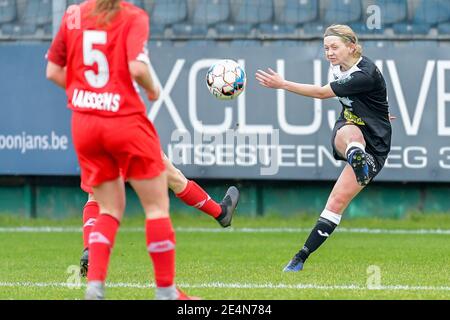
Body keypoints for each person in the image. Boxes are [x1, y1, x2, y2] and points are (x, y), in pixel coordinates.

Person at [46, 0, 202, 299]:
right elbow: (137, 67)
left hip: (85, 124)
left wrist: (86, 93)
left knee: (108, 208)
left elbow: (53, 71)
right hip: (123, 121)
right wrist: (153, 89)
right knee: (156, 207)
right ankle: (166, 292)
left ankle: (94, 288)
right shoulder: (133, 16)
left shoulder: (73, 15)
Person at [255, 24, 392, 272]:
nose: (329, 52)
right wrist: (376, 114)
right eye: (326, 47)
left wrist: (282, 84)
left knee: (337, 202)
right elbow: (374, 100)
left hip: (377, 142)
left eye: (334, 47)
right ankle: (356, 155)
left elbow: (320, 93)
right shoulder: (339, 65)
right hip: (352, 124)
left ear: (352, 46)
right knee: (350, 133)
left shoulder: (365, 73)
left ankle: (301, 256)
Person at [79, 158, 240, 277]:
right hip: (127, 129)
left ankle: (90, 250)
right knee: (172, 182)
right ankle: (220, 213)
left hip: (94, 127)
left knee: (95, 195)